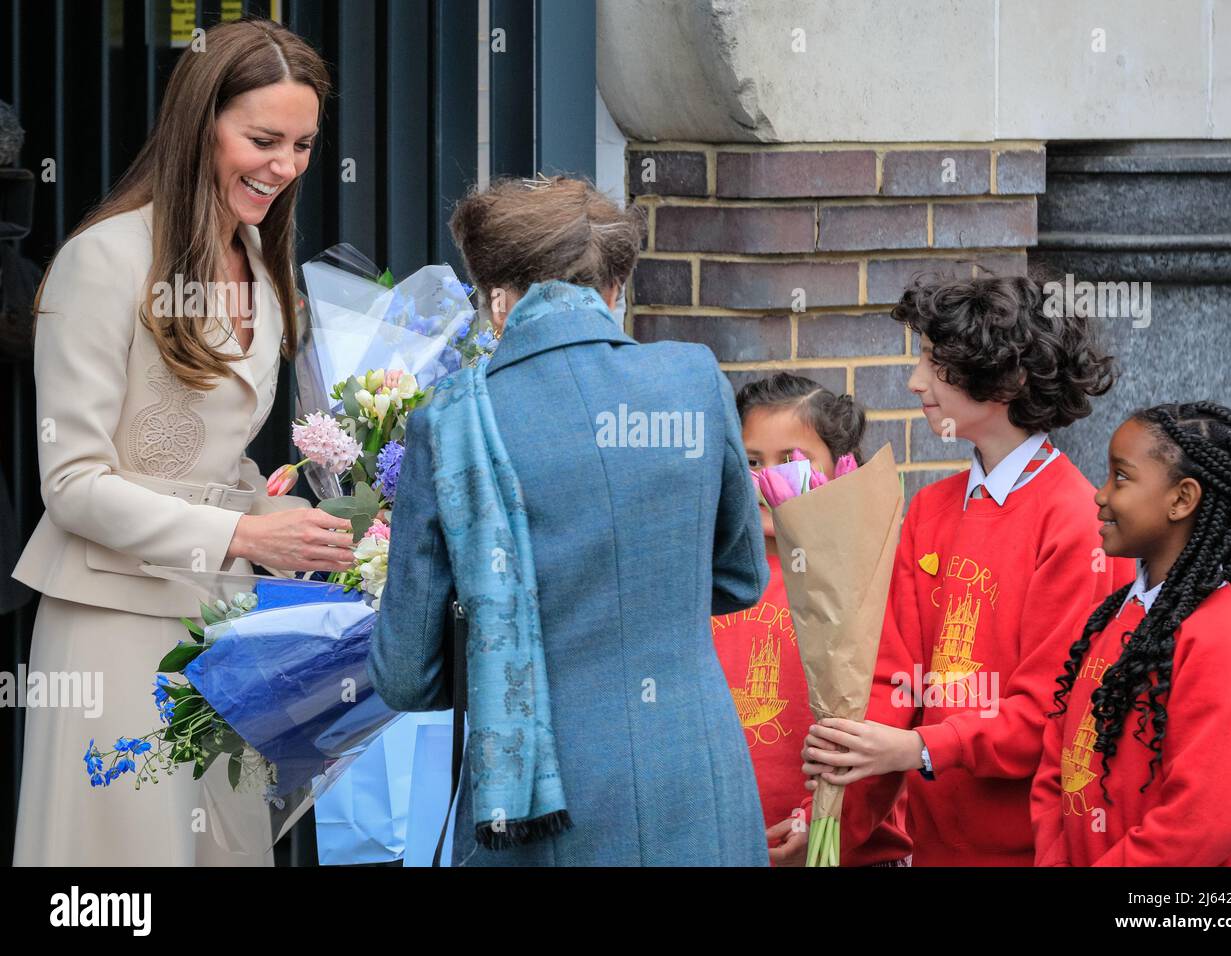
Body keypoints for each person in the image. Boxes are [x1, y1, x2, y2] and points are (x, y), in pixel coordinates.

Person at [11, 18, 351, 866]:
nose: (286, 166)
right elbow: (74, 483)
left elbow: (210, 454)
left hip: (222, 631)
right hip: (111, 625)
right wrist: (241, 532)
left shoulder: (259, 261)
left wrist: (277, 517)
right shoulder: (102, 260)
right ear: (202, 124)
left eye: (304, 145)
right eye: (264, 139)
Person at [367, 175, 770, 866]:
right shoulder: (694, 381)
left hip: (542, 806)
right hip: (697, 781)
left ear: (497, 297)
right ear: (614, 288)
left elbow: (408, 675)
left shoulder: (453, 421)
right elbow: (739, 577)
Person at [802, 272, 1131, 865]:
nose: (914, 382)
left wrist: (915, 748)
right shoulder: (931, 506)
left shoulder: (1075, 522)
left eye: (935, 363)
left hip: (1030, 849)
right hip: (933, 843)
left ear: (1009, 378)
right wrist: (831, 819)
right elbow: (889, 683)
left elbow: (1049, 714)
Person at [1031, 403, 1231, 865]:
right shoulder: (1105, 620)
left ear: (1181, 499)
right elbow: (1055, 764)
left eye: (1121, 478)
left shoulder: (1225, 643)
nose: (1100, 495)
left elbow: (1199, 828)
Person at [715, 372, 910, 866]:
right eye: (751, 461)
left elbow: (884, 717)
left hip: (838, 845)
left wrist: (823, 825)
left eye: (791, 462)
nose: (767, 480)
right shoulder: (710, 578)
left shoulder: (865, 576)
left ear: (841, 468)